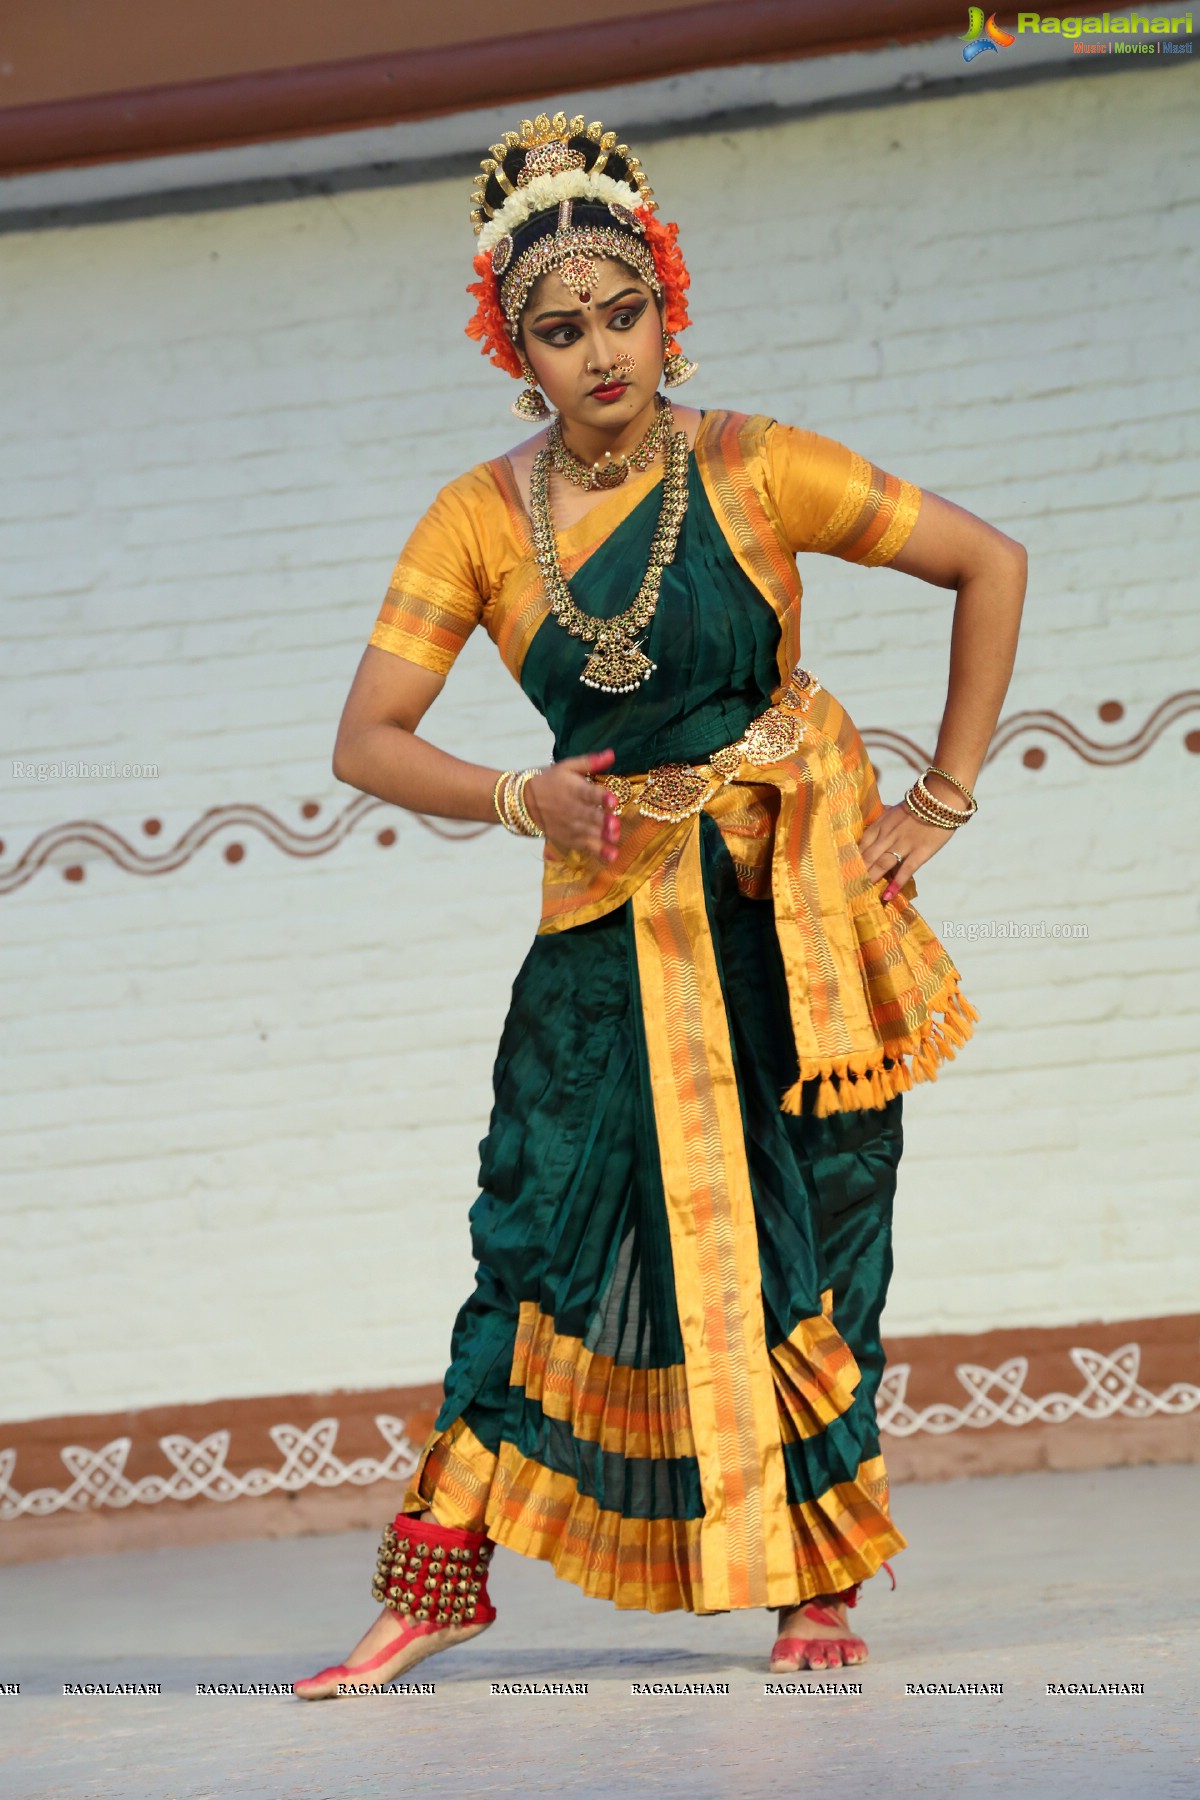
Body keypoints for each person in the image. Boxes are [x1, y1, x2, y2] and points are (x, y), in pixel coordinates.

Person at [292, 111, 1026, 1700]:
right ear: (518, 351)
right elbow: (366, 741)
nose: (601, 351)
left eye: (622, 313)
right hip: (605, 937)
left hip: (795, 921)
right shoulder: (481, 519)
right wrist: (515, 793)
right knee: (535, 1235)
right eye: (561, 330)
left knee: (827, 1225)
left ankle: (818, 1583)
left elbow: (991, 560)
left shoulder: (757, 464)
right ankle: (442, 1576)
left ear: (665, 304)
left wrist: (940, 799)